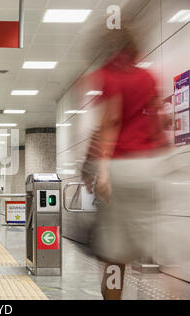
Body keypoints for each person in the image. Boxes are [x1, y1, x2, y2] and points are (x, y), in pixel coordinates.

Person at [82, 29, 172, 300]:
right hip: (148, 170)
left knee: (114, 255)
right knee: (149, 250)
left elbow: (110, 122)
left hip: (121, 170)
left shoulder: (109, 77)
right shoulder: (148, 78)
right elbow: (160, 124)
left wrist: (97, 169)